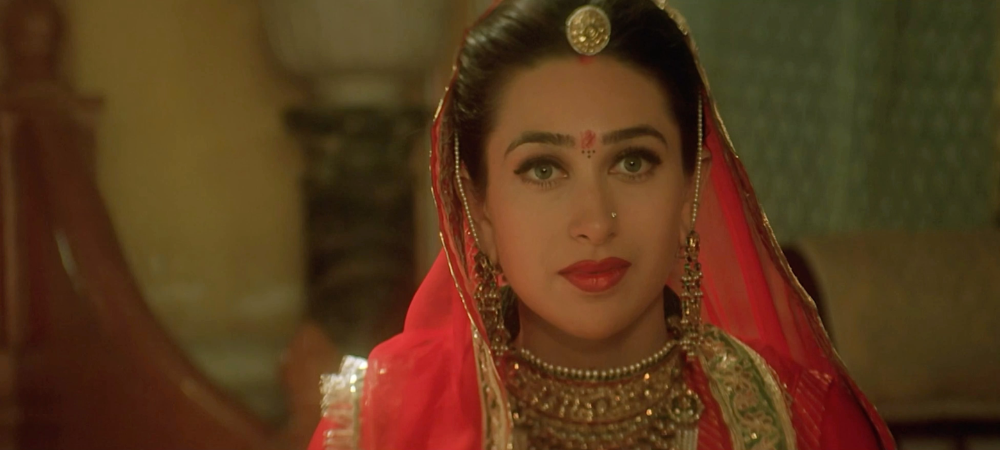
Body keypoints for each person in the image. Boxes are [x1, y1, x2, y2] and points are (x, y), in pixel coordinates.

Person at [309, 1, 896, 449]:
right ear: (480, 210)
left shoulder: (798, 423)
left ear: (690, 191)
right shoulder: (386, 425)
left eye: (633, 163)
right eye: (543, 169)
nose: (595, 222)